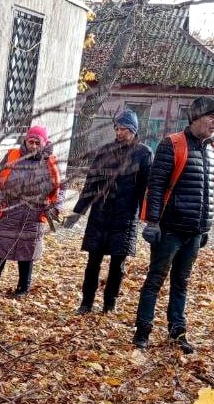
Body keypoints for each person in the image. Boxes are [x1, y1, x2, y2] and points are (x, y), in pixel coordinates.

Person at [132, 96, 214, 353]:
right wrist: (152, 222)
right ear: (195, 118)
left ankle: (177, 333)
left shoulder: (213, 149)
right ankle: (142, 332)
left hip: (194, 231)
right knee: (155, 280)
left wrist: (205, 227)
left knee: (181, 282)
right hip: (169, 230)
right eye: (211, 116)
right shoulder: (172, 144)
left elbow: (208, 191)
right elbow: (156, 185)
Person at [64, 109, 152, 313]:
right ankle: (86, 303)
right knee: (92, 262)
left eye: (124, 129)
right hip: (100, 214)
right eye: (117, 128)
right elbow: (90, 185)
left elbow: (145, 190)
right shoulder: (105, 151)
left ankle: (109, 305)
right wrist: (78, 212)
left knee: (117, 265)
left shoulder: (143, 153)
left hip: (125, 217)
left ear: (133, 130)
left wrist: (147, 218)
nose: (119, 132)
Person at [0, 125, 61, 298]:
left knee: (27, 253)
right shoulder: (12, 156)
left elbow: (60, 187)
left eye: (37, 142)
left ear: (43, 143)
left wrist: (55, 206)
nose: (33, 145)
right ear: (25, 140)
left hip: (33, 214)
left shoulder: (50, 162)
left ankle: (23, 289)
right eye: (30, 141)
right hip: (7, 211)